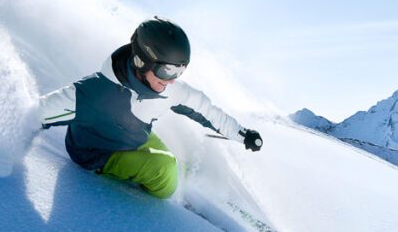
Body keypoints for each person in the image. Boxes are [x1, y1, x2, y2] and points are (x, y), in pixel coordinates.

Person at [39, 17, 262, 199]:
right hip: (96, 153)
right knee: (165, 171)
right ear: (141, 61)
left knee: (173, 159)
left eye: (180, 71)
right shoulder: (95, 93)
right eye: (168, 71)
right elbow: (35, 113)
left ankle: (177, 184)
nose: (172, 80)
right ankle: (161, 189)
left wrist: (243, 135)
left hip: (132, 136)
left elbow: (207, 111)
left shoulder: (168, 90)